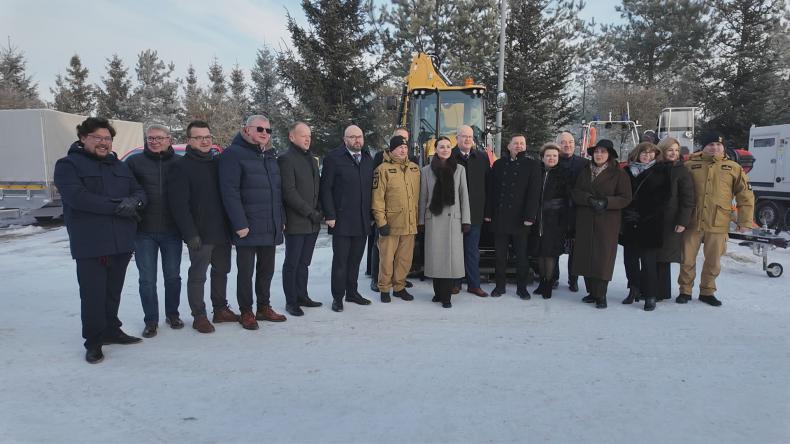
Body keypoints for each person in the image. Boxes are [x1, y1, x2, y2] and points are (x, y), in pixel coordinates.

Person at [54, 117, 146, 363]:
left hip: (122, 241)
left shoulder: (120, 166)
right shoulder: (68, 165)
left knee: (113, 292)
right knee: (93, 294)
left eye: (107, 138)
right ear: (83, 138)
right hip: (91, 243)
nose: (103, 143)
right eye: (97, 138)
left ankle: (112, 330)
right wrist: (120, 205)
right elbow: (78, 198)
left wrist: (134, 201)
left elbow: (139, 191)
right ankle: (94, 341)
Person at [168, 121, 239, 334]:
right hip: (200, 233)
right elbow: (179, 206)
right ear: (189, 140)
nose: (205, 141)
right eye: (199, 137)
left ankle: (220, 309)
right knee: (198, 275)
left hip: (222, 231)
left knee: (222, 271)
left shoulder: (218, 163)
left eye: (207, 136)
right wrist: (190, 233)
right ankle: (199, 315)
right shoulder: (180, 167)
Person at [219, 115, 287, 330]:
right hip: (247, 227)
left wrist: (281, 219)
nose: (264, 133)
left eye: (268, 130)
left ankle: (263, 307)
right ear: (246, 130)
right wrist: (239, 223)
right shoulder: (233, 154)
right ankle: (246, 311)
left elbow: (277, 191)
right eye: (259, 129)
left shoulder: (269, 155)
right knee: (246, 272)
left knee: (266, 270)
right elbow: (229, 192)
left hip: (269, 224)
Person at [677, 131, 754, 306]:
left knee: (713, 261)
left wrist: (744, 221)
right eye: (711, 144)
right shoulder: (690, 165)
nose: (715, 148)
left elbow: (745, 195)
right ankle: (685, 290)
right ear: (704, 146)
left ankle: (707, 291)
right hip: (692, 220)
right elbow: (679, 193)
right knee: (687, 258)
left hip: (719, 221)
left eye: (718, 145)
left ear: (723, 147)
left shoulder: (733, 167)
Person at [126, 123, 182, 338]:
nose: (155, 141)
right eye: (151, 138)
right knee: (147, 279)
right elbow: (127, 191)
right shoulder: (134, 162)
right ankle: (151, 320)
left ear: (169, 139)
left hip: (172, 231)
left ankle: (172, 314)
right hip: (144, 231)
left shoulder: (179, 162)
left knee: (173, 276)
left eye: (160, 137)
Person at [572, 139, 632, 309]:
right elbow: (576, 192)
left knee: (603, 258)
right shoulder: (584, 171)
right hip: (585, 219)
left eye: (603, 152)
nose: (599, 155)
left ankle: (601, 294)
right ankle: (591, 292)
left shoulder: (619, 174)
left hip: (607, 221)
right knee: (585, 255)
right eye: (596, 151)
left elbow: (625, 198)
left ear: (610, 155)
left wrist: (606, 202)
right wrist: (588, 199)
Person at [320, 124, 374, 313]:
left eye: (359, 136)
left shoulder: (367, 159)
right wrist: (330, 214)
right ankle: (337, 297)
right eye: (352, 137)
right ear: (345, 139)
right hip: (342, 219)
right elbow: (325, 189)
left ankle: (352, 292)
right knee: (341, 261)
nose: (356, 140)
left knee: (355, 261)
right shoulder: (334, 158)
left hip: (362, 219)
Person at [484, 134, 541, 299]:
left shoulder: (532, 165)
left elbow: (533, 193)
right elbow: (492, 191)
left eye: (522, 143)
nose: (519, 146)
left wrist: (530, 216)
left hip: (520, 219)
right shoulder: (499, 164)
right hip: (500, 217)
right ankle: (499, 286)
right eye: (515, 143)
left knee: (521, 256)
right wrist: (488, 213)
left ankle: (521, 288)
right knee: (500, 256)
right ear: (508, 146)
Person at [278, 122, 324, 317]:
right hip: (297, 221)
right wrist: (309, 212)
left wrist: (320, 210)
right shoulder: (286, 159)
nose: (307, 139)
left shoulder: (312, 160)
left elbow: (317, 188)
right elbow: (289, 192)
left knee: (304, 263)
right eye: (303, 135)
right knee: (293, 263)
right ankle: (291, 301)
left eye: (309, 136)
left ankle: (302, 295)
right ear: (292, 137)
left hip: (312, 222)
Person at [419, 137, 471, 308]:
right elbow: (423, 198)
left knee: (449, 259)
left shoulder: (460, 170)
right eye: (442, 147)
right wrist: (421, 221)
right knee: (436, 258)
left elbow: (464, 197)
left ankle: (446, 297)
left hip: (453, 221)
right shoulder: (426, 170)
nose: (445, 149)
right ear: (436, 149)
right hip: (433, 219)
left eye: (448, 147)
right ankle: (437, 293)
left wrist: (466, 220)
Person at [619, 142, 671, 311]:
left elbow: (664, 198)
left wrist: (644, 215)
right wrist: (627, 212)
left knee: (648, 262)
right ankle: (633, 289)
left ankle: (650, 295)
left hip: (650, 222)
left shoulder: (662, 171)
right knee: (630, 260)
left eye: (650, 153)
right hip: (630, 222)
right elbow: (621, 193)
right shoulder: (626, 171)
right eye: (644, 153)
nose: (647, 156)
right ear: (637, 153)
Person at [371, 135, 421, 305]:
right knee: (386, 259)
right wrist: (381, 222)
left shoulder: (414, 169)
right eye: (399, 147)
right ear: (391, 149)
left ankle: (399, 287)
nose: (403, 150)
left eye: (405, 147)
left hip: (409, 222)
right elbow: (377, 199)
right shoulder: (382, 169)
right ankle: (384, 288)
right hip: (390, 224)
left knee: (404, 259)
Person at [529, 143, 572, 300]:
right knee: (540, 253)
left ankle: (548, 284)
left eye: (554, 156)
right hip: (538, 219)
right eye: (548, 155)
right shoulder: (537, 172)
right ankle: (542, 282)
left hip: (555, 220)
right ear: (542, 157)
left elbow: (567, 199)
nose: (551, 158)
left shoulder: (564, 173)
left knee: (550, 253)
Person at [451, 125, 490, 297]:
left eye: (470, 136)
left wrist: (487, 211)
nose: (467, 139)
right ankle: (455, 283)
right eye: (463, 136)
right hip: (454, 213)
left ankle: (474, 284)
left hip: (474, 213)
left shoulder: (481, 158)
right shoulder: (449, 157)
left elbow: (489, 184)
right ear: (457, 138)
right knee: (455, 250)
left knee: (472, 251)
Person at [655, 137, 695, 302]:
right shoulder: (655, 167)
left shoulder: (682, 171)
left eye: (676, 150)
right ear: (663, 150)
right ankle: (649, 287)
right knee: (652, 255)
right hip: (654, 219)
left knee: (664, 256)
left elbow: (688, 199)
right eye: (670, 150)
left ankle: (662, 291)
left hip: (671, 220)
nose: (673, 153)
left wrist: (682, 222)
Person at [555, 131, 589, 292]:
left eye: (570, 142)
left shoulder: (583, 163)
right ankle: (552, 277)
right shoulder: (552, 161)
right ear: (558, 145)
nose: (567, 145)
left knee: (575, 250)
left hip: (577, 213)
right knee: (553, 247)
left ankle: (573, 280)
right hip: (556, 213)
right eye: (563, 142)